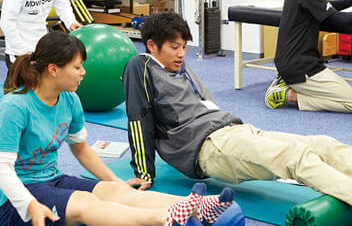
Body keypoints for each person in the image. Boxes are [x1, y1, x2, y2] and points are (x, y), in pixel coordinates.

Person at [0, 31, 236, 226]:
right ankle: (165, 219)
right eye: (77, 67)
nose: (83, 73)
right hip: (13, 201)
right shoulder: (14, 107)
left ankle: (196, 206)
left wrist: (116, 182)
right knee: (86, 201)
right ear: (53, 69)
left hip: (52, 179)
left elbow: (81, 148)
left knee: (112, 190)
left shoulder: (69, 100)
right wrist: (29, 205)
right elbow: (1, 170)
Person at [124, 12, 352, 208]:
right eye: (174, 47)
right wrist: (144, 172)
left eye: (184, 47)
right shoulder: (140, 66)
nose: (182, 53)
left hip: (234, 130)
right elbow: (138, 118)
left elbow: (206, 103)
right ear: (152, 45)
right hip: (209, 147)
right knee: (294, 157)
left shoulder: (178, 66)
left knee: (323, 144)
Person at [266, 0, 352, 112]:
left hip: (290, 62)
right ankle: (290, 95)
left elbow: (330, 8)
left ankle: (286, 83)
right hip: (301, 67)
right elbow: (341, 22)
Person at [0, 0, 82, 73]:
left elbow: (63, 5)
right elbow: (7, 23)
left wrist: (71, 22)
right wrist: (23, 52)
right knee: (20, 90)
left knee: (44, 88)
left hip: (41, 46)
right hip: (19, 50)